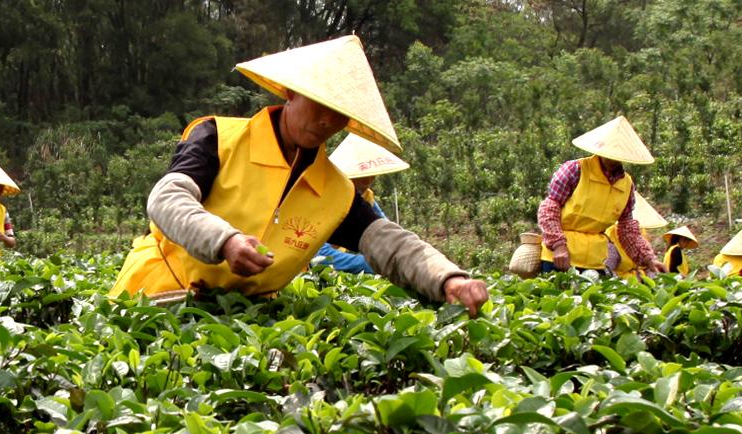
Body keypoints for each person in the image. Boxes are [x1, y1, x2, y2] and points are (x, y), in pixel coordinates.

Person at [112, 35, 485, 313]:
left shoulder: (335, 190)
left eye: (339, 113)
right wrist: (224, 242)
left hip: (240, 321)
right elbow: (167, 198)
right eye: (318, 104)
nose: (326, 120)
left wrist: (448, 278)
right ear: (291, 93)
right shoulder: (220, 137)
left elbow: (390, 243)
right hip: (155, 300)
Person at [535, 116, 657, 278]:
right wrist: (558, 245)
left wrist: (648, 259)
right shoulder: (575, 170)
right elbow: (549, 209)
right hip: (560, 257)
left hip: (596, 260)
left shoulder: (626, 184)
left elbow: (627, 228)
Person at [311, 135, 409, 277]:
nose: (368, 181)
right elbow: (318, 256)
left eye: (372, 175)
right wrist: (370, 264)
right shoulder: (322, 198)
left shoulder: (365, 197)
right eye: (362, 177)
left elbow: (384, 230)